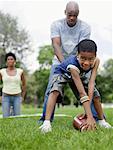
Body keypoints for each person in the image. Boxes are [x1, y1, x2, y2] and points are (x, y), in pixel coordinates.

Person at [39, 39, 112, 133]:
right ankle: (46, 122)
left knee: (96, 95)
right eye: (83, 58)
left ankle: (102, 121)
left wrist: (88, 112)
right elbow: (81, 93)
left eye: (90, 59)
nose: (86, 63)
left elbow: (91, 84)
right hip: (62, 73)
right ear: (77, 55)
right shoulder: (72, 65)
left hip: (79, 74)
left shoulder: (96, 61)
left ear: (95, 56)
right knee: (55, 91)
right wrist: (89, 117)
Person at [39, 1, 92, 122]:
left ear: (78, 14)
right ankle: (45, 120)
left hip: (78, 62)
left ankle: (95, 118)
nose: (72, 18)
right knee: (51, 89)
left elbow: (82, 49)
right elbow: (56, 45)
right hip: (59, 62)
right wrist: (66, 65)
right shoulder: (56, 24)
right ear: (65, 13)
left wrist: (75, 66)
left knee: (87, 90)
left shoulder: (85, 27)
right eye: (69, 15)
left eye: (75, 15)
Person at [0, 52, 26, 118]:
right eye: (8, 59)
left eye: (11, 59)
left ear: (14, 61)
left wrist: (22, 96)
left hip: (17, 96)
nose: (10, 61)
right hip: (5, 96)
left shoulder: (20, 71)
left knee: (17, 117)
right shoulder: (2, 71)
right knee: (5, 117)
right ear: (6, 61)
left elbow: (24, 85)